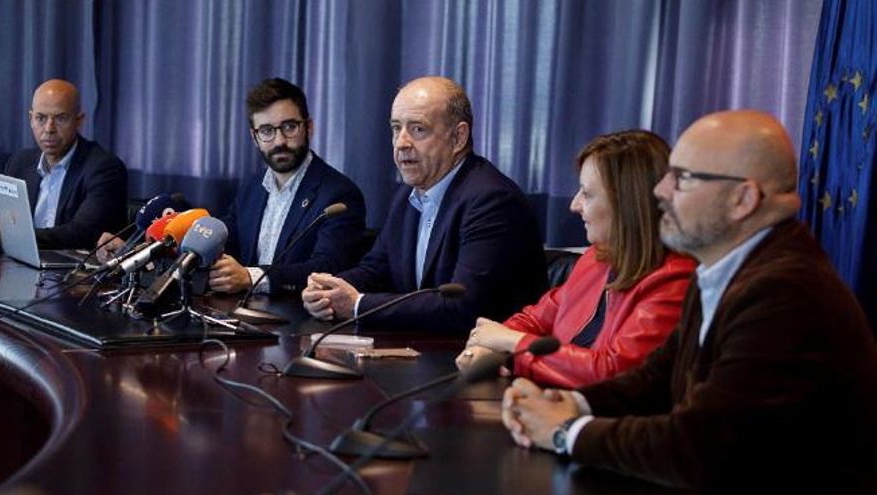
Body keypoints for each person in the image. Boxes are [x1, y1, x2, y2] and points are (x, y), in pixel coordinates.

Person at [500, 110, 877, 490]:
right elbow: (655, 379)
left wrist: (567, 431)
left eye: (682, 178)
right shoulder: (723, 268)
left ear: (742, 199)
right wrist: (571, 405)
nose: (661, 191)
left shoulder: (785, 293)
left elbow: (702, 447)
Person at [301, 76, 546, 332]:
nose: (402, 142)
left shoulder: (491, 201)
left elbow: (464, 307)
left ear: (458, 137)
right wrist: (329, 289)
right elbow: (377, 270)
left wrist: (356, 305)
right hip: (426, 350)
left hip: (482, 362)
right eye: (396, 128)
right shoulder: (409, 196)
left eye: (418, 129)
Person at [456, 131, 695, 388]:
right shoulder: (596, 259)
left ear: (626, 204)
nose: (574, 205)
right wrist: (490, 349)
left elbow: (610, 373)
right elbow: (534, 319)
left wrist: (510, 345)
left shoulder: (674, 279)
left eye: (587, 193)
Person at [98, 78, 366, 294]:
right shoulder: (252, 188)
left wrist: (251, 277)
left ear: (309, 127)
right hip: (245, 318)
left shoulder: (338, 195)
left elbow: (328, 267)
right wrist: (138, 251)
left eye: (289, 127)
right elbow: (224, 242)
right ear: (254, 136)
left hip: (300, 324)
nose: (279, 140)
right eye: (267, 131)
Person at [3, 79, 128, 249]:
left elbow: (83, 233)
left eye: (60, 118)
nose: (49, 129)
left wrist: (14, 237)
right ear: (31, 119)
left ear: (79, 120)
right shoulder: (19, 162)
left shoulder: (104, 168)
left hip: (74, 271)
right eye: (40, 118)